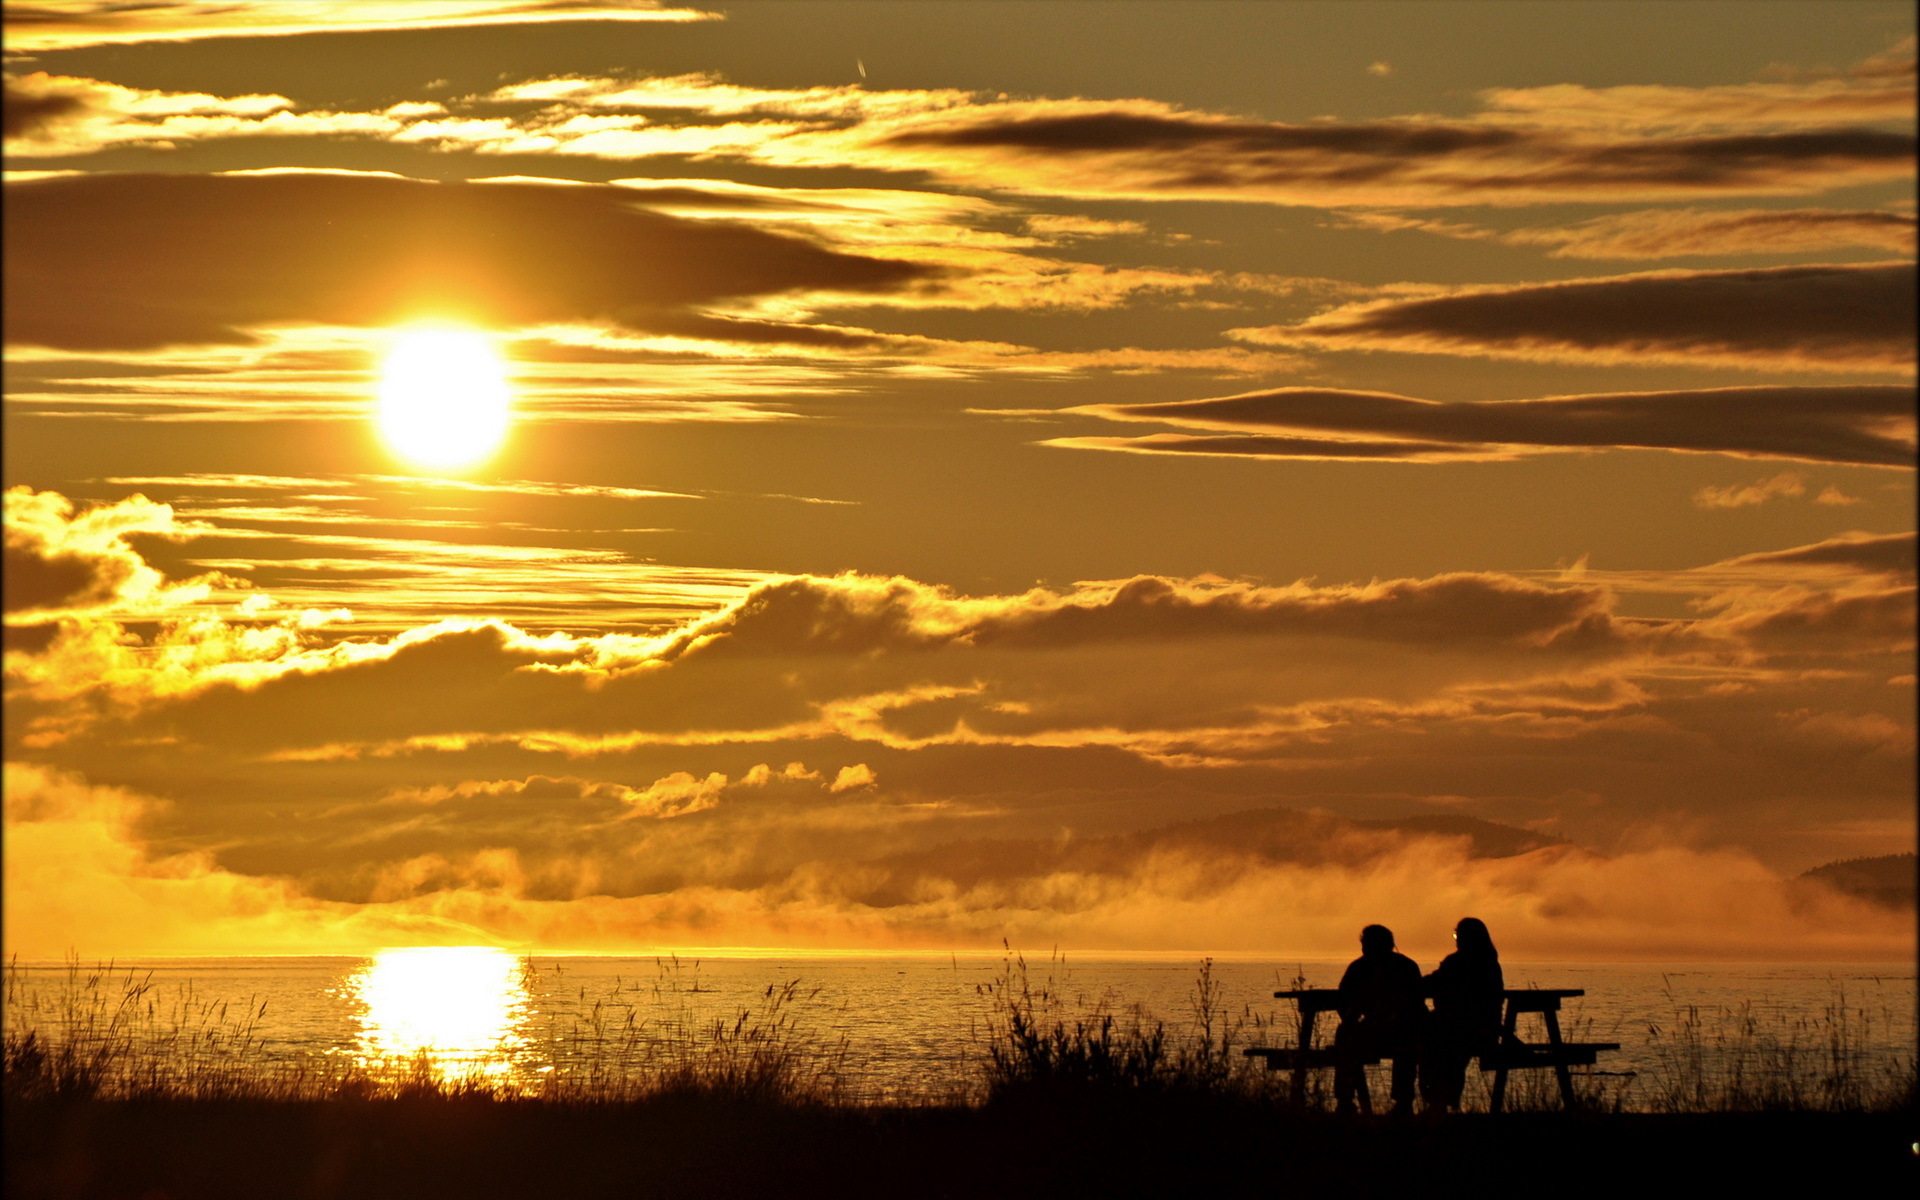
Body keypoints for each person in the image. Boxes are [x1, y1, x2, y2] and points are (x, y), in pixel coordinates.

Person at [1332, 924, 1424, 1114]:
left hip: (1393, 1030)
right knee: (1346, 1035)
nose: (1364, 947)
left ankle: (1347, 1100)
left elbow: (1344, 999)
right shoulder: (1405, 965)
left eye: (1366, 943)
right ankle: (1400, 1103)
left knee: (1347, 1037)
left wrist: (1353, 1020)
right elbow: (1345, 1000)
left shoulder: (1363, 967)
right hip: (1387, 1031)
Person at [1420, 916, 1506, 1110]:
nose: (1456, 938)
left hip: (1459, 1030)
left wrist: (1412, 985)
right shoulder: (1491, 964)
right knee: (1451, 1056)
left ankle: (1436, 1101)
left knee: (1430, 1048)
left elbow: (1433, 984)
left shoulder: (1457, 962)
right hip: (1485, 1031)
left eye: (1457, 934)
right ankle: (1447, 1101)